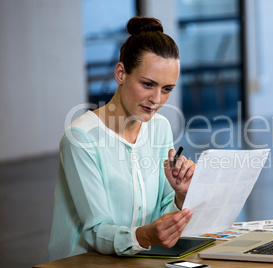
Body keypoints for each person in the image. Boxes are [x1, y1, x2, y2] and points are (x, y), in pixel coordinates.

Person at [48, 16, 196, 261]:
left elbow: (162, 217)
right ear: (120, 73)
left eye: (167, 89)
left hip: (138, 259)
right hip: (81, 263)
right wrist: (146, 236)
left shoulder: (159, 128)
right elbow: (97, 231)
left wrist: (180, 195)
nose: (157, 99)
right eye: (148, 84)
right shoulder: (81, 138)